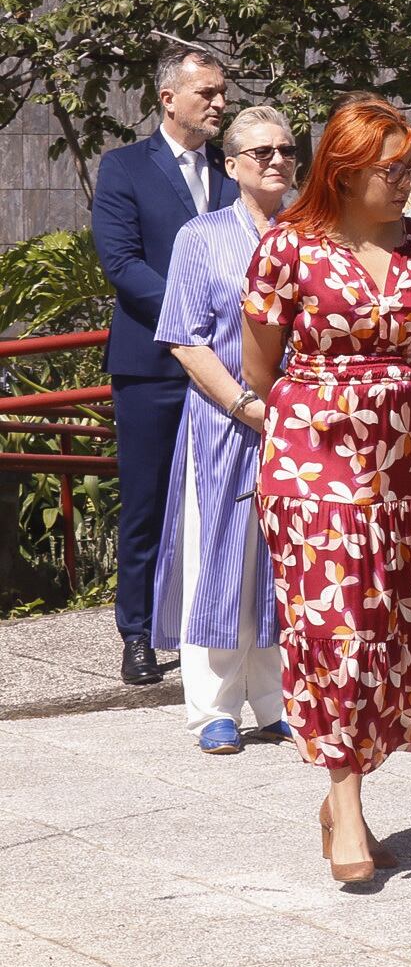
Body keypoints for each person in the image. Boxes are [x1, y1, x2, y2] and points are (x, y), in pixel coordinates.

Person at [240, 96, 411, 885]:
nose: (407, 180)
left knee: (386, 628)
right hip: (312, 459)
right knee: (336, 629)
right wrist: (327, 410)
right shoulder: (287, 248)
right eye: (390, 169)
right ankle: (345, 799)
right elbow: (259, 369)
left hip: (403, 461)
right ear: (343, 169)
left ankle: (349, 802)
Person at [149, 105, 295, 754]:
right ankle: (213, 707)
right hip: (222, 422)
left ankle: (275, 699)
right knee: (219, 556)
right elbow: (185, 339)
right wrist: (244, 404)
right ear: (231, 165)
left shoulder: (310, 236)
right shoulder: (200, 237)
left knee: (284, 560)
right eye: (260, 152)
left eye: (286, 150)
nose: (276, 161)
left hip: (299, 425)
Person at [92, 43, 238, 685]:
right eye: (207, 92)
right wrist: (192, 313)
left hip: (230, 365)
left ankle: (223, 626)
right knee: (148, 498)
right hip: (152, 362)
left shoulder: (236, 174)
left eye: (222, 92)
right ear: (168, 98)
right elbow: (122, 264)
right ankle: (138, 633)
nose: (219, 103)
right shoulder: (124, 167)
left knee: (227, 496)